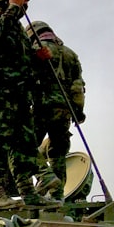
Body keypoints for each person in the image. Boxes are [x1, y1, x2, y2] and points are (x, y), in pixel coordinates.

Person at [0, 0, 54, 209]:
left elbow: (21, 61)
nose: (24, 4)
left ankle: (28, 192)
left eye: (25, 0)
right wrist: (13, 8)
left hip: (18, 96)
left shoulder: (18, 29)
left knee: (25, 145)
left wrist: (37, 58)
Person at [27, 20, 86, 201]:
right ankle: (57, 196)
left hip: (42, 107)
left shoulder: (35, 51)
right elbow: (77, 86)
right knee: (58, 153)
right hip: (64, 111)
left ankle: (44, 178)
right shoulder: (70, 54)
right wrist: (78, 111)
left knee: (26, 147)